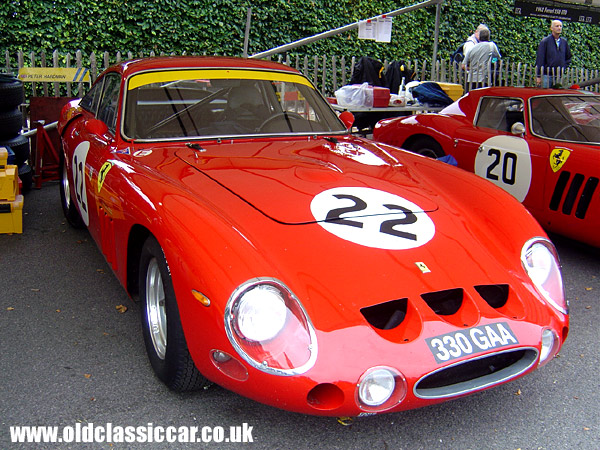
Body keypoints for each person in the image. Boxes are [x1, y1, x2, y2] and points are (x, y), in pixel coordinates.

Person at [535, 20, 572, 88]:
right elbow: (540, 59)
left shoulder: (564, 42)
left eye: (560, 26)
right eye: (557, 26)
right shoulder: (545, 42)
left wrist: (563, 66)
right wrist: (539, 76)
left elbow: (568, 57)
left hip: (559, 75)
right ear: (551, 28)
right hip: (546, 75)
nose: (559, 28)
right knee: (545, 94)